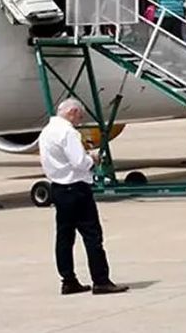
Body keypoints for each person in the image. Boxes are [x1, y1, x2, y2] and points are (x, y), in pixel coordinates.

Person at [38, 99, 128, 295]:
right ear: (72, 112)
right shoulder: (68, 132)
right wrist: (92, 158)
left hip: (58, 189)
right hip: (76, 189)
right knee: (92, 236)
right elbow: (80, 162)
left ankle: (68, 280)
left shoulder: (46, 132)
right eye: (80, 116)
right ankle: (101, 280)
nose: (80, 120)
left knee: (64, 237)